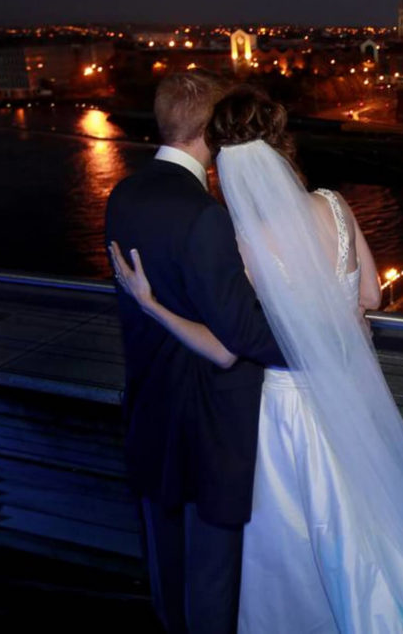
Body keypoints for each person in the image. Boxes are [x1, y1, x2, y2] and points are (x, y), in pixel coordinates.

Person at [111, 84, 403, 633]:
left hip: (285, 412)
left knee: (297, 536)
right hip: (348, 395)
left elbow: (228, 347)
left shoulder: (243, 237)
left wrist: (151, 305)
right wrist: (345, 328)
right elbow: (370, 297)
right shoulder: (335, 205)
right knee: (368, 525)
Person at [105, 72, 285, 634]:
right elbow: (241, 334)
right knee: (212, 577)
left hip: (151, 407)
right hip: (210, 420)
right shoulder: (205, 215)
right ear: (211, 130)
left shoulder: (123, 194)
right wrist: (324, 341)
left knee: (168, 565)